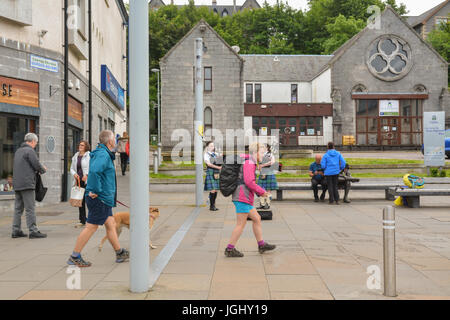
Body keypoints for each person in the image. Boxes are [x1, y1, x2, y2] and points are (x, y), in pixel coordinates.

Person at [67, 130, 129, 267]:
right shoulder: (103, 155)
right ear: (110, 141)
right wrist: (94, 190)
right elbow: (94, 172)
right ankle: (74, 256)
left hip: (103, 198)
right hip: (99, 198)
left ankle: (119, 253)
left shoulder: (103, 153)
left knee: (110, 224)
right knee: (91, 227)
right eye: (114, 139)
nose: (115, 142)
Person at [225, 142, 276, 258]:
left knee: (257, 218)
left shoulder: (249, 161)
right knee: (240, 224)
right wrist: (262, 192)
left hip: (243, 196)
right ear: (255, 152)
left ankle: (261, 244)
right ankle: (229, 249)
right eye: (262, 153)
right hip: (243, 197)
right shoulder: (249, 162)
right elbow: (249, 182)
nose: (263, 155)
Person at [11, 133, 47, 239]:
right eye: (36, 142)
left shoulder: (18, 151)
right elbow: (36, 164)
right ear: (32, 141)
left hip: (17, 184)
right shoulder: (30, 151)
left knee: (18, 209)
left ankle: (16, 230)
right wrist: (43, 169)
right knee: (30, 208)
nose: (36, 144)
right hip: (27, 184)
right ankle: (33, 231)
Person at [70, 140, 91, 226]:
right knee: (80, 201)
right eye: (80, 145)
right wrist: (74, 174)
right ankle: (82, 220)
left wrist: (86, 175)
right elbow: (71, 168)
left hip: (87, 181)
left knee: (88, 200)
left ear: (86, 147)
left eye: (82, 145)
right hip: (78, 181)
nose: (80, 146)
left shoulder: (89, 155)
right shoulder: (76, 155)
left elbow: (92, 167)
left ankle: (91, 219)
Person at [257, 144, 278, 209]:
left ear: (267, 148)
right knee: (261, 189)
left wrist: (263, 165)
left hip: (269, 173)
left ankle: (267, 204)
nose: (262, 148)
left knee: (268, 190)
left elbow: (272, 162)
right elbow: (259, 162)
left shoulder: (270, 154)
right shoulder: (260, 154)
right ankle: (262, 204)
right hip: (262, 173)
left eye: (263, 147)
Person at [204, 141, 221, 211]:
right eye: (211, 146)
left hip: (216, 172)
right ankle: (211, 206)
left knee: (216, 189)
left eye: (213, 146)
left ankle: (213, 205)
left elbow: (220, 162)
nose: (212, 147)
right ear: (207, 147)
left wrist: (220, 157)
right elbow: (209, 164)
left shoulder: (215, 154)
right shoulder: (206, 154)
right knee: (213, 189)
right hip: (211, 171)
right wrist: (218, 168)